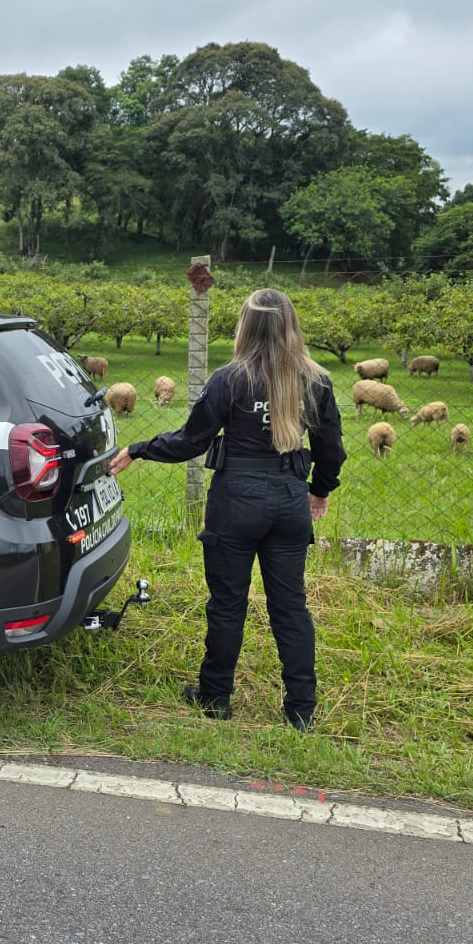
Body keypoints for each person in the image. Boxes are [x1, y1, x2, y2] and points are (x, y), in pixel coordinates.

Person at [108, 288, 345, 730]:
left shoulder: (229, 379)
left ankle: (215, 697)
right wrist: (320, 489)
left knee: (227, 603)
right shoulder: (316, 380)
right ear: (291, 325)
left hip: (236, 501)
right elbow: (330, 447)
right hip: (289, 501)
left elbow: (190, 441)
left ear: (245, 326)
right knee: (291, 607)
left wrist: (139, 449)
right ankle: (301, 709)